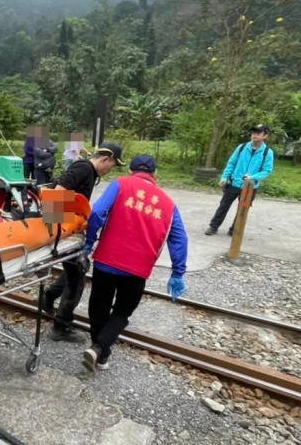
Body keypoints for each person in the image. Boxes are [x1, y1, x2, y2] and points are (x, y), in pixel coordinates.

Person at [82, 154, 188, 372]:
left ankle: (99, 351)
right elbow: (179, 238)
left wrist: (89, 241)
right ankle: (100, 351)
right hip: (138, 269)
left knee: (98, 307)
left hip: (106, 261)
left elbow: (98, 212)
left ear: (131, 171)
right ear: (154, 174)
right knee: (122, 311)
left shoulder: (120, 184)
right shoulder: (168, 204)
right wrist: (178, 272)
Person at [42, 142, 124, 342]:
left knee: (73, 270)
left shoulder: (88, 172)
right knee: (77, 276)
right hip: (63, 232)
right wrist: (61, 230)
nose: (110, 170)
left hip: (66, 230)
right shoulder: (83, 168)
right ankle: (61, 326)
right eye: (111, 166)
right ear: (105, 159)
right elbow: (58, 191)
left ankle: (49, 296)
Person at [205, 125, 274, 236]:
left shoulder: (267, 152)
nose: (254, 135)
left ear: (265, 136)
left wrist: (253, 177)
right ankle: (213, 227)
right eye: (253, 133)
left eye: (258, 133)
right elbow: (231, 163)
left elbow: (267, 170)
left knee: (242, 209)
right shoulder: (242, 147)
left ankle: (234, 229)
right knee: (223, 206)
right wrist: (224, 177)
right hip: (234, 183)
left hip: (250, 186)